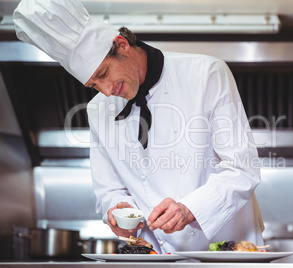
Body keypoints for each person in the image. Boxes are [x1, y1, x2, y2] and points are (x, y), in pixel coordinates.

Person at [13, 0, 264, 253]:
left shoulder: (206, 74)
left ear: (122, 45)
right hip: (155, 257)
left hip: (227, 254)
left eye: (103, 74)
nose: (107, 92)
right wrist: (118, 209)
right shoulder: (98, 110)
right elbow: (110, 190)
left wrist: (189, 210)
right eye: (93, 86)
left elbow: (242, 168)